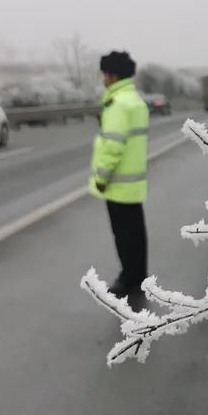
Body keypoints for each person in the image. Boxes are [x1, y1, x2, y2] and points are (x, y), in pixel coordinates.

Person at [91, 50, 150, 302]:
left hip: (117, 184)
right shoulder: (134, 100)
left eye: (104, 74)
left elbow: (112, 146)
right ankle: (138, 276)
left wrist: (101, 178)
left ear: (112, 75)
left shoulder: (118, 104)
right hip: (134, 182)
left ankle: (128, 279)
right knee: (136, 233)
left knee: (124, 235)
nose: (103, 79)